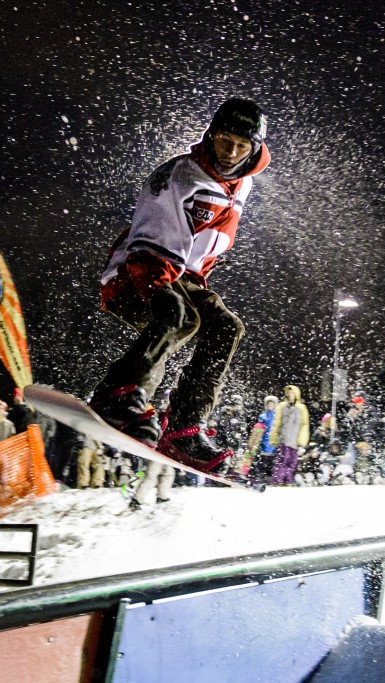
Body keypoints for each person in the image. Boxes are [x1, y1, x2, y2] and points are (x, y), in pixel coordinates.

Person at [88, 98, 270, 477]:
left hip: (184, 276)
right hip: (138, 267)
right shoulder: (180, 177)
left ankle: (184, 428)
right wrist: (160, 287)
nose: (231, 153)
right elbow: (149, 241)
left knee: (225, 328)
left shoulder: (243, 184)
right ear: (210, 136)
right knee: (179, 316)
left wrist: (188, 282)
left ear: (255, 149)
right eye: (224, 142)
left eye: (242, 146)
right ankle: (118, 394)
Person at [269, 385, 310, 485]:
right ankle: (278, 481)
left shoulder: (301, 408)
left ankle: (287, 481)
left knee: (291, 463)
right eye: (289, 392)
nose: (290, 395)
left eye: (292, 393)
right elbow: (277, 422)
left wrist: (302, 442)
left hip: (294, 441)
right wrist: (273, 437)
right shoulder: (282, 406)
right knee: (281, 462)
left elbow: (304, 426)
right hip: (283, 440)